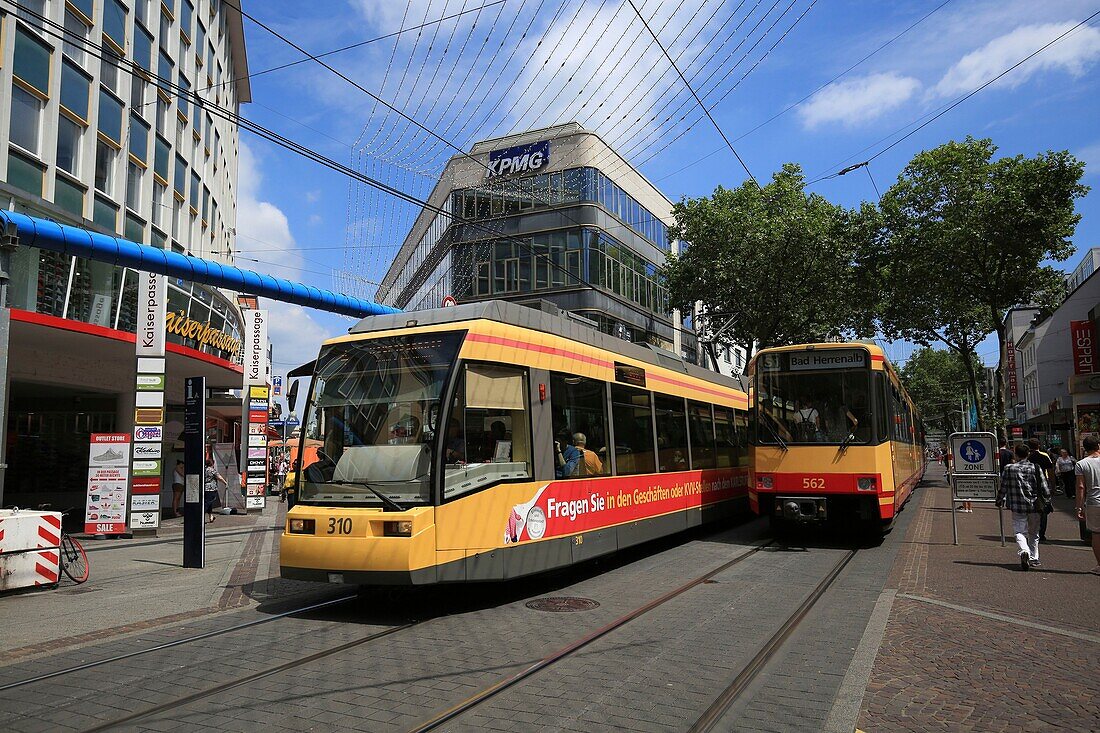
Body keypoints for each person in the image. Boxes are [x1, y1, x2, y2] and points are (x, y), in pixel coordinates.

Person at [997, 443, 1050, 570]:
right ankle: (1034, 557)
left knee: (1019, 531)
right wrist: (1047, 501)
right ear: (1028, 454)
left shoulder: (1009, 468)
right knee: (1034, 532)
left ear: (1016, 454)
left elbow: (1003, 486)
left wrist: (999, 499)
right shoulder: (1036, 468)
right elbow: (1045, 488)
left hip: (1017, 505)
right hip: (1035, 505)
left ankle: (1024, 550)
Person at [1073, 437, 1100, 575]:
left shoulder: (1081, 464)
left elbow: (1081, 486)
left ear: (1084, 448)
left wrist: (1079, 506)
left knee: (1096, 533)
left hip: (1094, 502)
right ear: (1098, 446)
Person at [1027, 439, 1056, 541]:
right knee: (1043, 509)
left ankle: (1033, 531)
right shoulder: (1044, 456)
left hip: (1029, 486)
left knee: (1030, 509)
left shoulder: (1027, 458)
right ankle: (1041, 533)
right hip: (1042, 486)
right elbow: (1051, 472)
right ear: (1039, 445)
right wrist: (1053, 486)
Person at [204, 457, 227, 523]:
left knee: (209, 503)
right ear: (212, 464)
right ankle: (201, 515)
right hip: (211, 489)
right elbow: (219, 477)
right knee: (208, 503)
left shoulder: (204, 469)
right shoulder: (212, 470)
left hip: (204, 488)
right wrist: (225, 482)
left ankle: (211, 516)